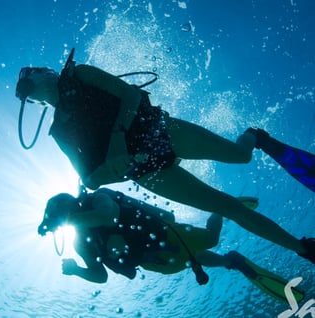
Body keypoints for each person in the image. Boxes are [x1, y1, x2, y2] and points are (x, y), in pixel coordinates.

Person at [16, 48, 315, 264]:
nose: (32, 81)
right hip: (145, 171)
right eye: (28, 88)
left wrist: (119, 138)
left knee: (240, 156)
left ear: (48, 71)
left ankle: (256, 137)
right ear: (34, 102)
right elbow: (89, 178)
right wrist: (114, 168)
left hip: (157, 129)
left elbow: (131, 94)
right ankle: (303, 249)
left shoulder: (80, 74)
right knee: (229, 208)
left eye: (33, 72)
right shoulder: (58, 132)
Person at [37, 188, 305, 303]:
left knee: (210, 238)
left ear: (69, 204)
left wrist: (67, 217)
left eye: (60, 211)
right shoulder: (80, 243)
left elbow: (108, 215)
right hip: (154, 262)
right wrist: (75, 271)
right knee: (191, 260)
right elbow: (99, 275)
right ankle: (230, 261)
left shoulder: (97, 198)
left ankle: (222, 207)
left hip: (165, 233)